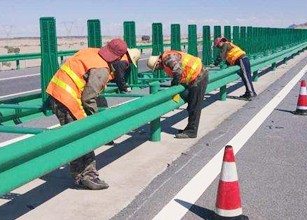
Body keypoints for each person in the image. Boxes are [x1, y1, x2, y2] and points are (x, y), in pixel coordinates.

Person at [45, 39, 140, 190]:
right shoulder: (102, 69)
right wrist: (96, 119)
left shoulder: (91, 52)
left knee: (76, 136)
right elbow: (88, 98)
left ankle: (80, 176)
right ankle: (87, 176)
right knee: (86, 135)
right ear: (118, 58)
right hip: (68, 100)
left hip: (56, 92)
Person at [147, 50, 208, 139]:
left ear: (158, 62)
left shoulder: (168, 59)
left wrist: (174, 86)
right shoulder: (167, 58)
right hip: (196, 76)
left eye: (156, 67)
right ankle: (189, 129)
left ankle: (191, 131)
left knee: (195, 106)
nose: (158, 69)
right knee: (192, 104)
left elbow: (178, 71)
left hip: (198, 76)